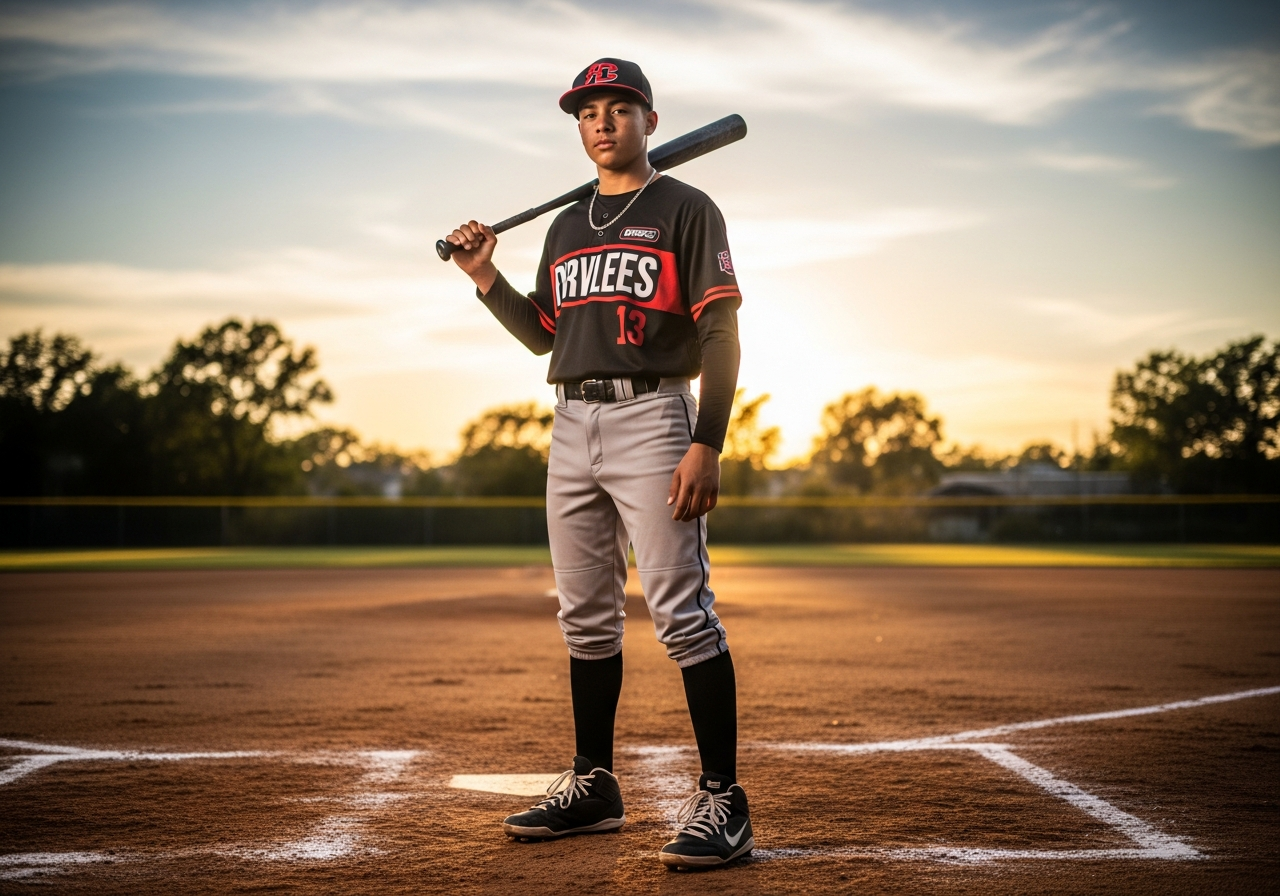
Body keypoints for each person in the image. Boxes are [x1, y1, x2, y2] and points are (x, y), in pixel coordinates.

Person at [445, 57, 751, 870]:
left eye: (620, 108)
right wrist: (485, 279)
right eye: (589, 113)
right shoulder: (567, 226)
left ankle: (724, 798)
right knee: (583, 617)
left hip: (655, 415)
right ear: (579, 129)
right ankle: (594, 784)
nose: (603, 122)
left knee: (681, 612)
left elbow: (719, 333)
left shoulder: (687, 208)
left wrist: (706, 440)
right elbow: (549, 333)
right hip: (570, 420)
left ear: (649, 120)